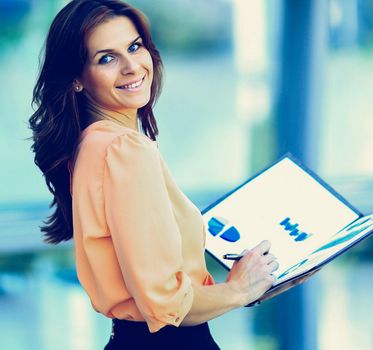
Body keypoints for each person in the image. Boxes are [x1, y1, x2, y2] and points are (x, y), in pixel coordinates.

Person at [28, 0, 278, 348]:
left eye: (134, 47)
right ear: (76, 80)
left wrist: (247, 284)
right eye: (107, 58)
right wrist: (238, 290)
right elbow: (166, 305)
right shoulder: (125, 150)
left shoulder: (90, 146)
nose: (132, 67)